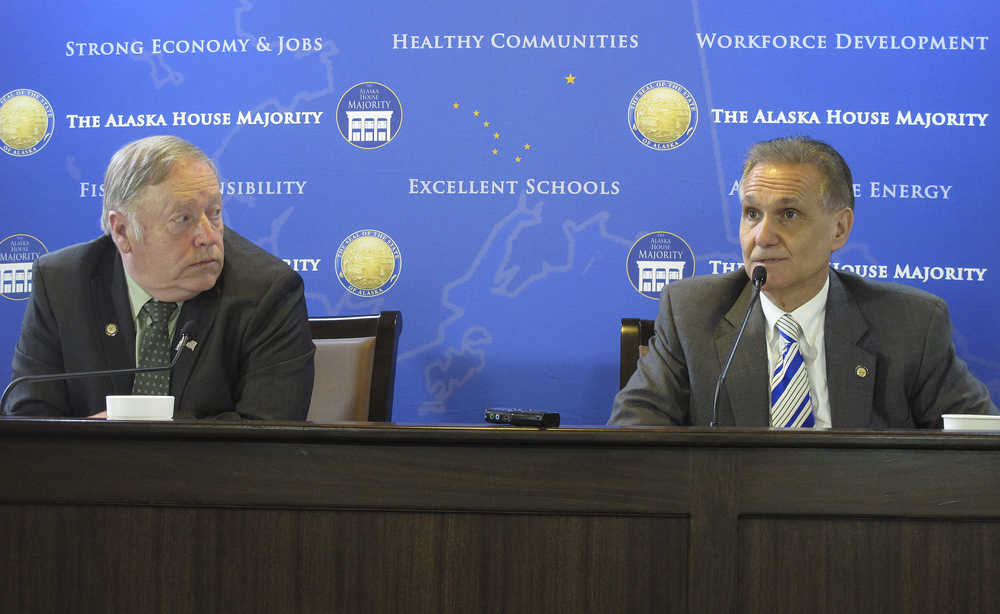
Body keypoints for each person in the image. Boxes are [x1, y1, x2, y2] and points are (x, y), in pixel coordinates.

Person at [610, 136, 996, 428]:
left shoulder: (910, 324)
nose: (762, 236)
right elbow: (634, 435)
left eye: (789, 214)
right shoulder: (693, 313)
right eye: (751, 213)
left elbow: (977, 449)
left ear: (839, 229)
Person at [5, 135, 315, 419]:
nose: (208, 236)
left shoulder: (267, 291)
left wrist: (134, 433)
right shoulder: (62, 283)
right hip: (87, 478)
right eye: (183, 218)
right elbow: (29, 418)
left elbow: (270, 431)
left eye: (215, 212)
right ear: (122, 231)